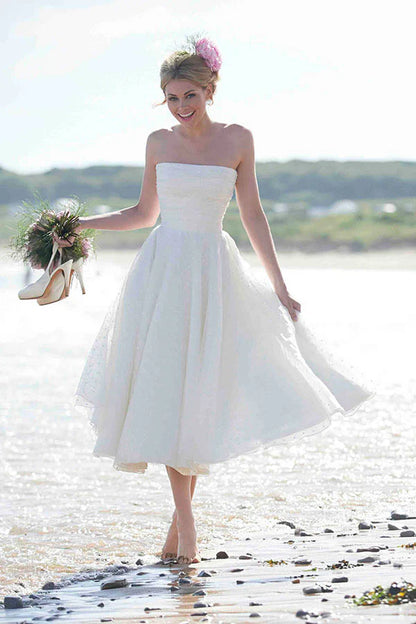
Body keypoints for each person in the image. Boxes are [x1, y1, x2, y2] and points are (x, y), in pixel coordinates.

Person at [71, 35, 373, 565]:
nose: (182, 108)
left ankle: (177, 534)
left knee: (199, 394)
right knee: (166, 388)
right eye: (172, 98)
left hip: (214, 269)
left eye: (190, 95)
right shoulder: (158, 142)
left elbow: (253, 213)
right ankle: (186, 528)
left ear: (210, 89)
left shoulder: (238, 139)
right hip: (163, 273)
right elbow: (143, 214)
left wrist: (279, 284)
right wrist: (78, 225)